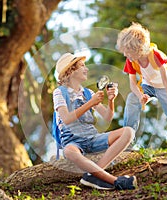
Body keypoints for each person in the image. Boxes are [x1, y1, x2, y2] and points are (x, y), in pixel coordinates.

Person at [53, 52, 138, 190]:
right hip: (72, 140)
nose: (86, 69)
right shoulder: (59, 92)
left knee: (128, 132)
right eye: (82, 66)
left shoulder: (87, 93)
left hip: (92, 137)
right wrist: (90, 103)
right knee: (69, 152)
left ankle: (92, 175)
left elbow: (107, 116)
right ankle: (115, 181)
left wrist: (111, 100)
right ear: (70, 71)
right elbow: (67, 119)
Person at [116, 22, 167, 157]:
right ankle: (127, 144)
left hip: (165, 87)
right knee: (132, 98)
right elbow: (132, 84)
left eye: (128, 52)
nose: (126, 55)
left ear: (138, 49)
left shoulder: (156, 56)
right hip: (148, 86)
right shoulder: (131, 60)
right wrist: (140, 96)